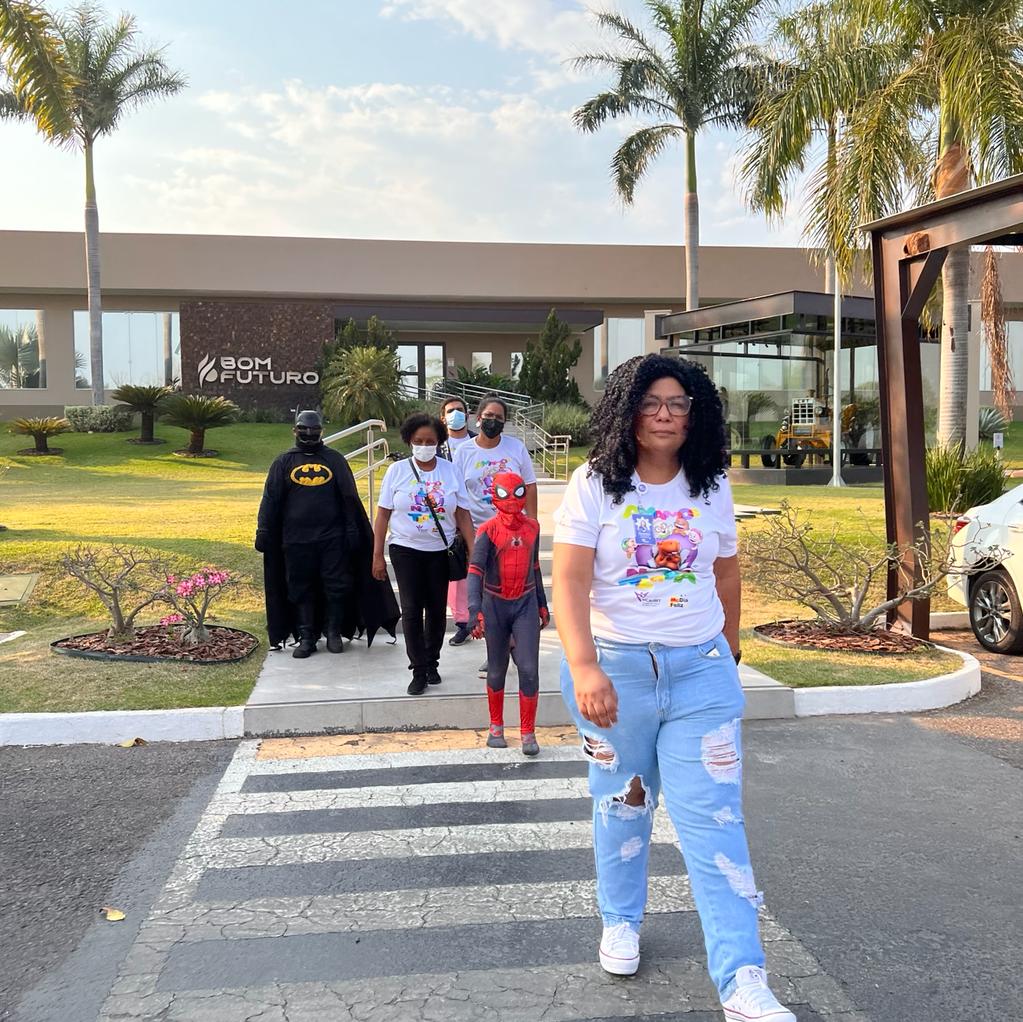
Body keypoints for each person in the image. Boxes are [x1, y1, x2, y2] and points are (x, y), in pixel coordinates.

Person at [552, 355, 794, 1022]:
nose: (664, 414)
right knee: (623, 803)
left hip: (700, 673)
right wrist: (583, 666)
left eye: (678, 403)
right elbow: (568, 580)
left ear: (696, 415)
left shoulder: (709, 485)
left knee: (715, 821)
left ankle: (742, 979)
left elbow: (726, 572)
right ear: (626, 411)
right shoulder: (594, 484)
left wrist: (729, 650)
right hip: (616, 671)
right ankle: (620, 919)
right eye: (651, 402)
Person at [256, 409, 399, 657]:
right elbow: (271, 499)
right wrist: (264, 529)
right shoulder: (283, 462)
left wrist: (352, 529)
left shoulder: (334, 460)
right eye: (304, 429)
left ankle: (333, 631)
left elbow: (349, 498)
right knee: (300, 586)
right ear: (294, 430)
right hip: (296, 540)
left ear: (322, 431)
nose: (309, 434)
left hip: (332, 538)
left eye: (314, 430)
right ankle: (307, 636)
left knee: (337, 584)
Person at [373, 412, 476, 695]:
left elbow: (463, 514)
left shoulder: (450, 471)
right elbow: (382, 515)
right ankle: (417, 670)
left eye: (430, 441)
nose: (424, 446)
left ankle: (432, 662)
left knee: (436, 610)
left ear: (439, 442)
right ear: (409, 441)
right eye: (418, 441)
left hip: (440, 551)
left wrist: (474, 550)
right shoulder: (397, 471)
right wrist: (377, 555)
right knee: (410, 609)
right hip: (405, 549)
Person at [453, 394, 539, 677]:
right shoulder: (464, 452)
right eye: (488, 416)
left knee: (512, 590)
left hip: (513, 532)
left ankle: (513, 642)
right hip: (480, 531)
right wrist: (466, 535)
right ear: (478, 418)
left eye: (499, 418)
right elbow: (459, 496)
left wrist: (532, 523)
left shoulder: (516, 448)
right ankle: (496, 651)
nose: (493, 421)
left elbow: (529, 485)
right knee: (488, 595)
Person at [467, 471, 549, 756]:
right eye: (505, 494)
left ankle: (528, 732)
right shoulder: (488, 530)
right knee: (497, 667)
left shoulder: (532, 528)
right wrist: (475, 609)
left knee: (528, 669)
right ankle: (496, 727)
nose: (512, 500)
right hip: (495, 605)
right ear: (495, 496)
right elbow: (475, 570)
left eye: (517, 493)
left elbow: (534, 567)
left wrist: (542, 603)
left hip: (525, 603)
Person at [438, 395, 477, 645]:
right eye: (451, 411)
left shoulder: (478, 442)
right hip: (450, 520)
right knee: (458, 576)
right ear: (443, 417)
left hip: (480, 516)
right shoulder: (436, 446)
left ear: (468, 414)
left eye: (460, 410)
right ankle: (463, 623)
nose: (456, 414)